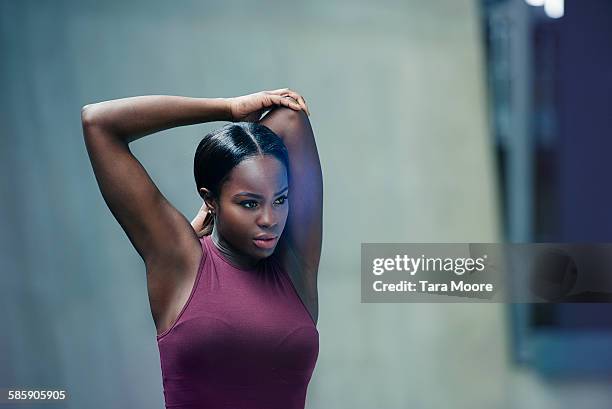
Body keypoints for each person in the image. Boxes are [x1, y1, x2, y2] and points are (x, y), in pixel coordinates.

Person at [81, 89, 323, 409]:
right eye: (249, 203)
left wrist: (248, 141)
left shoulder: (296, 265)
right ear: (210, 199)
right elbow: (99, 122)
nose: (270, 219)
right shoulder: (181, 261)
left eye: (280, 199)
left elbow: (291, 119)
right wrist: (228, 109)